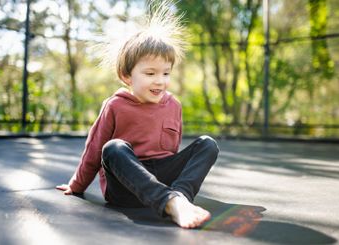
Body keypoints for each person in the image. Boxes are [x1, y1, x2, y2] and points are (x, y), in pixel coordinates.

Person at [57, 1, 219, 229]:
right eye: (150, 73)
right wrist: (77, 185)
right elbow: (94, 150)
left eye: (165, 73)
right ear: (127, 76)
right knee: (113, 148)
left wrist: (174, 180)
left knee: (208, 144)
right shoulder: (115, 105)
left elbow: (172, 151)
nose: (160, 80)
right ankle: (170, 202)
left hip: (162, 180)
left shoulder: (174, 105)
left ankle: (179, 198)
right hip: (126, 188)